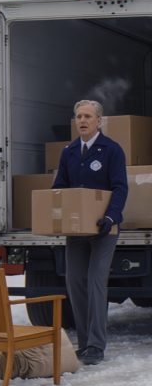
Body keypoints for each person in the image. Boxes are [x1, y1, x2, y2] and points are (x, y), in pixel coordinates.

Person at [53, 99, 128, 365]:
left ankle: (96, 345)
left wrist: (110, 216)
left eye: (87, 116)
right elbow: (60, 186)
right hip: (77, 231)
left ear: (99, 121)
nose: (82, 121)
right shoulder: (69, 151)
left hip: (105, 229)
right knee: (75, 282)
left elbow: (120, 188)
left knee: (96, 281)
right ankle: (84, 344)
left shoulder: (112, 150)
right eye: (78, 116)